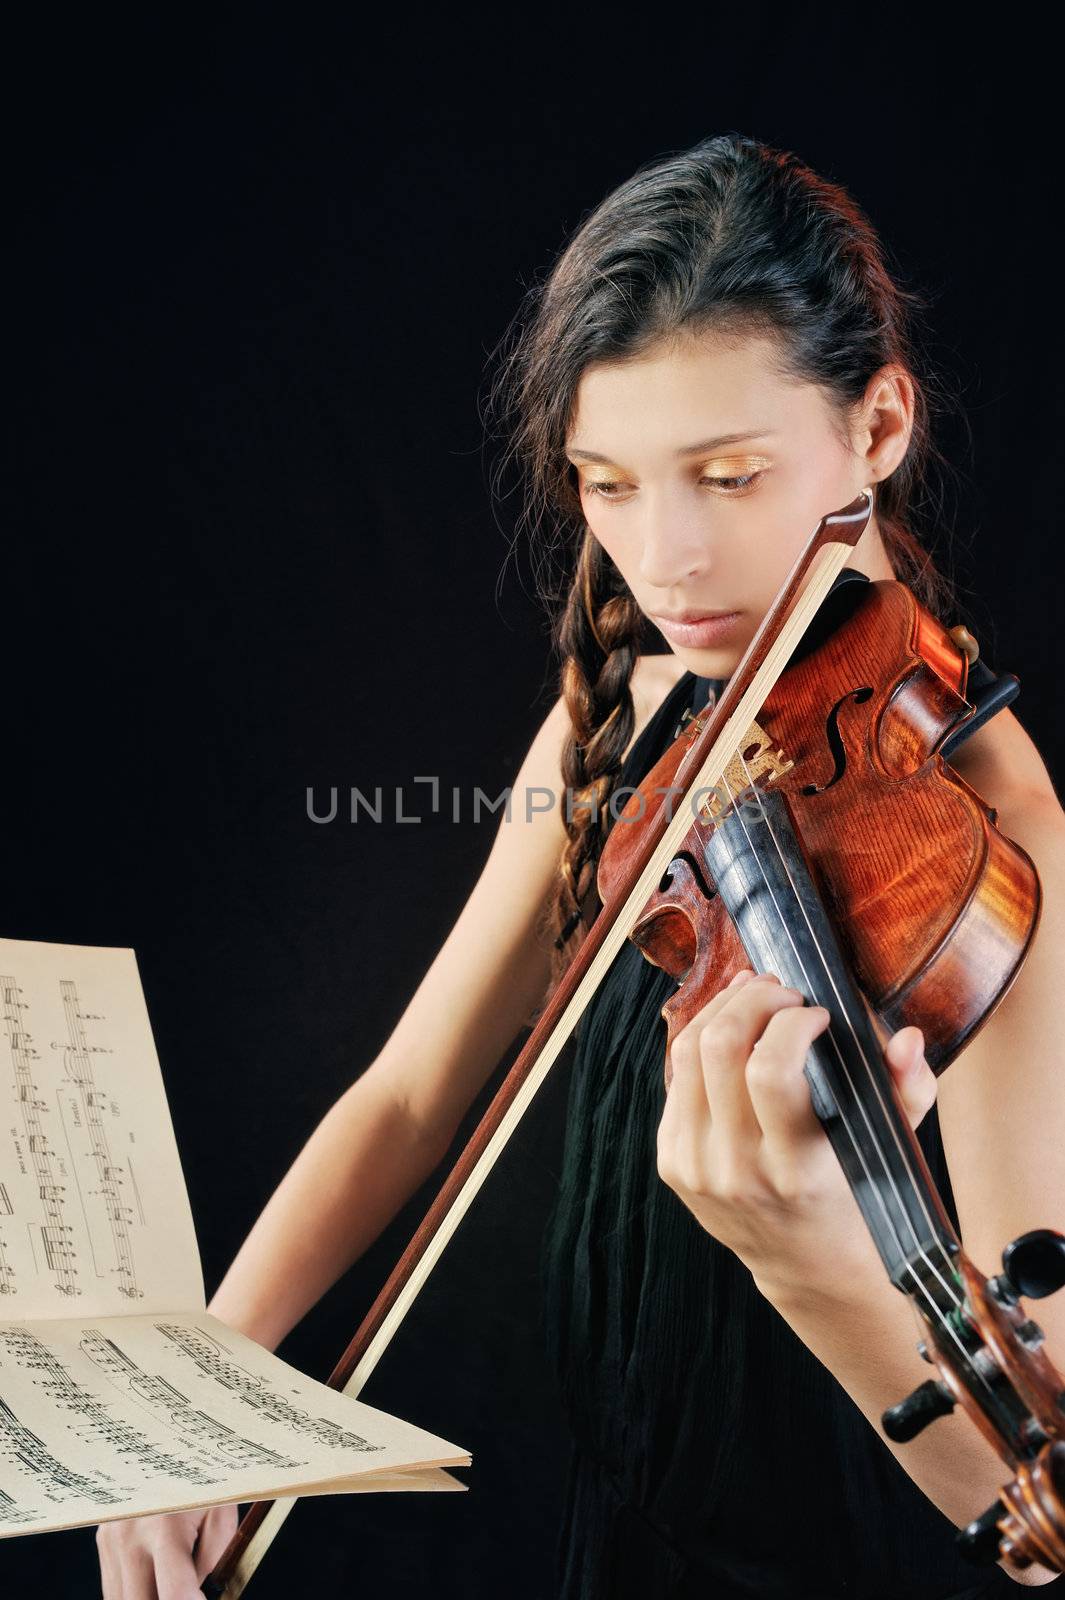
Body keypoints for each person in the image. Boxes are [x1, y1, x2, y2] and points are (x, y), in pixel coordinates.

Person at [96, 134, 1065, 1597]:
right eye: (605, 485)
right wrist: (199, 1394)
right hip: (622, 1531)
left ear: (876, 427)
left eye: (727, 476)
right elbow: (413, 1092)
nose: (663, 558)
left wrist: (811, 1263)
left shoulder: (994, 851)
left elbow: (1039, 1512)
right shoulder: (613, 725)